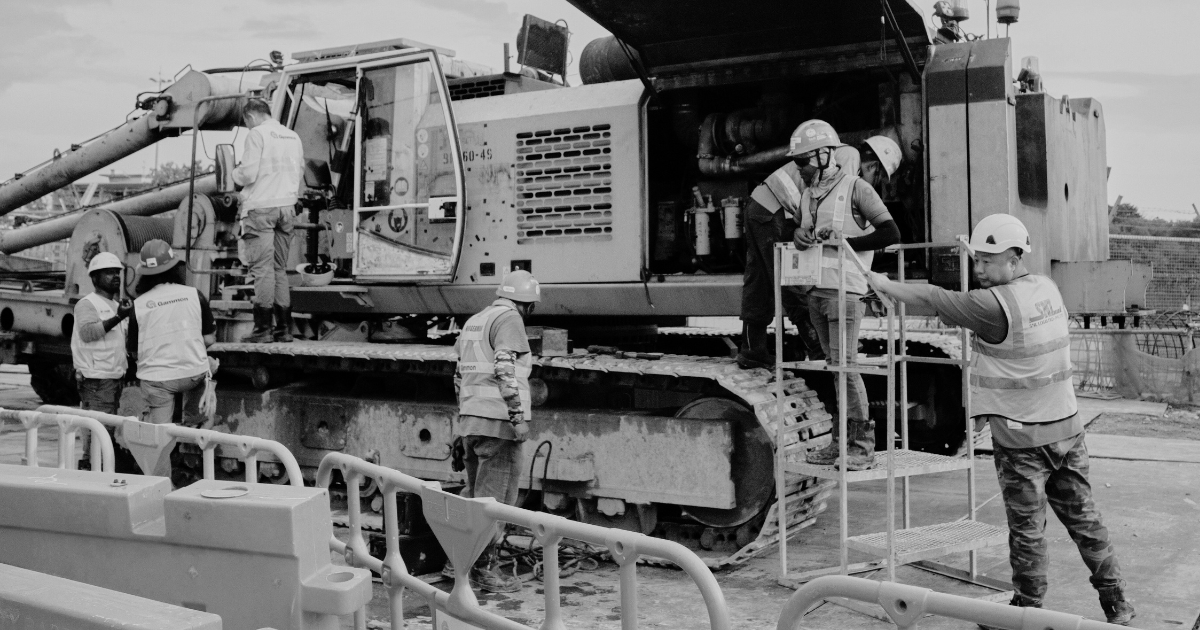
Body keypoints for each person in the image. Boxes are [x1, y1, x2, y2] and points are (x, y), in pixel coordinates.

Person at [866, 214, 1134, 626]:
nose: (978, 269)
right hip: (1067, 431)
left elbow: (933, 297)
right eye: (977, 259)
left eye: (988, 261)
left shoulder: (992, 305)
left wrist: (883, 284)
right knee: (1086, 521)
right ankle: (1118, 605)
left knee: (1027, 532)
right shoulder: (1046, 288)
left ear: (1013, 258)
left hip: (1022, 440)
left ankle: (1025, 613)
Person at [790, 120, 901, 471]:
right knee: (836, 369)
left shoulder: (857, 188)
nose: (799, 168)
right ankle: (840, 443)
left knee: (846, 368)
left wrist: (847, 242)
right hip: (816, 292)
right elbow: (802, 232)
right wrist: (799, 236)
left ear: (824, 155)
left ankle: (861, 447)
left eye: (803, 161)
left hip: (846, 292)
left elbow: (890, 233)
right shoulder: (808, 194)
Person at [738, 131, 865, 369]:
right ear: (874, 164)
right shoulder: (850, 156)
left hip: (760, 206)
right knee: (793, 280)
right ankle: (819, 347)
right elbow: (836, 203)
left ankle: (752, 349)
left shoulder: (832, 155)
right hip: (773, 211)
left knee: (761, 279)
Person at [450, 270, 539, 593]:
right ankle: (484, 570)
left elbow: (458, 376)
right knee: (494, 504)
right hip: (499, 426)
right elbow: (504, 367)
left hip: (472, 422)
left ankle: (456, 562)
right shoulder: (509, 319)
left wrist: (462, 423)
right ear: (528, 305)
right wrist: (517, 418)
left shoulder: (475, 320)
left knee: (474, 499)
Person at [232, 97, 303, 344]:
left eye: (247, 123)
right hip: (287, 209)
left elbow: (248, 174)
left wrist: (234, 173)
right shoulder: (293, 136)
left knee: (262, 270)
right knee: (279, 269)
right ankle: (284, 329)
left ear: (250, 117)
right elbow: (299, 171)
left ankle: (262, 330)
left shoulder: (257, 134)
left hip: (261, 208)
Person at [127, 240, 217, 426]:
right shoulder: (194, 295)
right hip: (192, 375)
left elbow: (134, 353)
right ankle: (195, 429)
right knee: (198, 426)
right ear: (174, 267)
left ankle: (163, 442)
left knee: (160, 433)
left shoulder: (139, 305)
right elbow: (209, 339)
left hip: (157, 379)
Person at [71, 252, 133, 469]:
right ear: (95, 278)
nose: (115, 276)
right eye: (108, 273)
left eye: (117, 272)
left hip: (113, 378)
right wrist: (119, 317)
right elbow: (88, 333)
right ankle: (89, 470)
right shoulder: (87, 304)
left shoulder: (115, 304)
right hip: (96, 381)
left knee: (106, 431)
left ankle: (97, 470)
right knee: (97, 432)